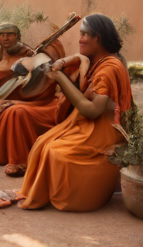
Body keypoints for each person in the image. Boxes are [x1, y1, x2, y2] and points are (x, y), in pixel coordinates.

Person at [19, 14, 133, 212]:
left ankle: (63, 197)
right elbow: (80, 59)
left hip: (103, 129)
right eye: (80, 34)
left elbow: (92, 111)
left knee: (55, 152)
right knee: (42, 142)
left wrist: (60, 78)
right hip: (91, 125)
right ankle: (43, 192)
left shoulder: (108, 69)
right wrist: (66, 61)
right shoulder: (102, 60)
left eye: (84, 35)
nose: (80, 40)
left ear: (98, 37)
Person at [0, 23, 66, 176]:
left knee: (13, 112)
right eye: (2, 34)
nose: (6, 37)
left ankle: (17, 159)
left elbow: (41, 81)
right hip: (2, 96)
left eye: (9, 34)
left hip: (32, 101)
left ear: (18, 36)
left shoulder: (30, 53)